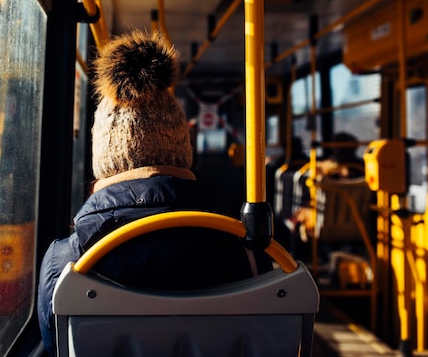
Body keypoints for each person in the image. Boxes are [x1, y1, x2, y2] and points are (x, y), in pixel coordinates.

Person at [37, 30, 272, 356]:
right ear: (183, 151)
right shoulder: (249, 256)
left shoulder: (66, 263)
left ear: (103, 160)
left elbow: (56, 347)